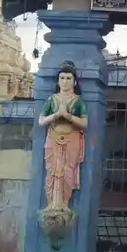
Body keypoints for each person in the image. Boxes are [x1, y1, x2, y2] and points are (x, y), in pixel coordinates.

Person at [39, 61, 88, 210]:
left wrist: (67, 116)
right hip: (53, 138)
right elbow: (41, 121)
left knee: (68, 171)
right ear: (58, 81)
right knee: (52, 171)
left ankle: (64, 204)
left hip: (71, 139)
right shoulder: (51, 100)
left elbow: (84, 123)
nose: (65, 81)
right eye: (62, 78)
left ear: (74, 82)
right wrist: (56, 115)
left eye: (68, 78)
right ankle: (51, 204)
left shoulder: (78, 101)